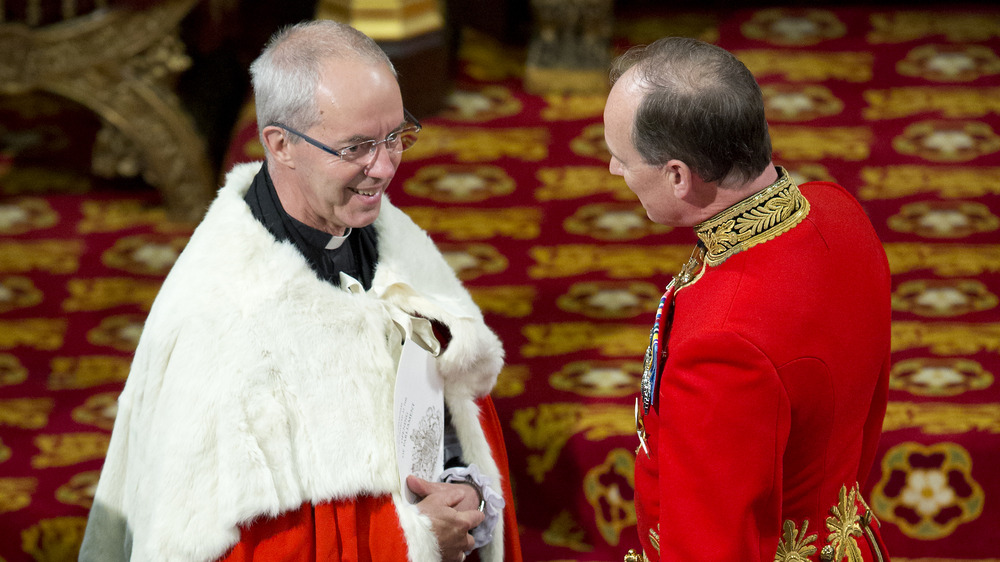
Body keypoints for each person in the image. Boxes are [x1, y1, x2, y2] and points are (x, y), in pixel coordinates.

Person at [81, 20, 522, 562]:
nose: (384, 168)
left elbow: (450, 409)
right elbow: (222, 546)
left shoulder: (390, 239)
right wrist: (414, 541)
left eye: (396, 136)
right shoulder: (223, 317)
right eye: (357, 146)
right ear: (281, 144)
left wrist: (466, 486)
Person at [603, 37, 892, 562]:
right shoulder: (841, 211)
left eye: (622, 159)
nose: (614, 171)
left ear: (678, 176)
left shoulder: (721, 343)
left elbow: (712, 545)